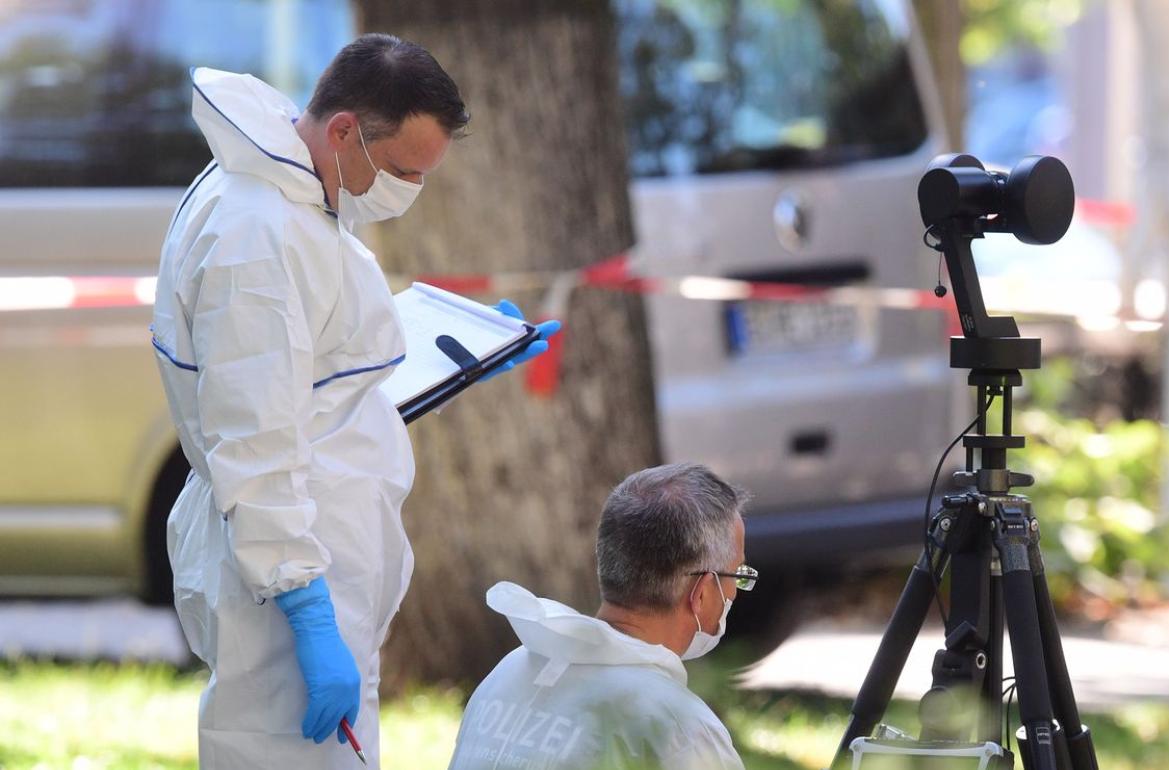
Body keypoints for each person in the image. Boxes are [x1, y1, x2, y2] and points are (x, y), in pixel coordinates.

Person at [150, 34, 558, 769]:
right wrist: (306, 612)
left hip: (311, 555)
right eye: (403, 170)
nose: (408, 190)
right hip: (287, 584)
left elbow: (305, 383)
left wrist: (452, 362)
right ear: (343, 130)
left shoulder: (296, 194)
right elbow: (256, 441)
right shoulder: (257, 236)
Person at [448, 463, 756, 770]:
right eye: (736, 574)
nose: (736, 591)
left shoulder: (508, 673)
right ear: (701, 592)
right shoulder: (678, 728)